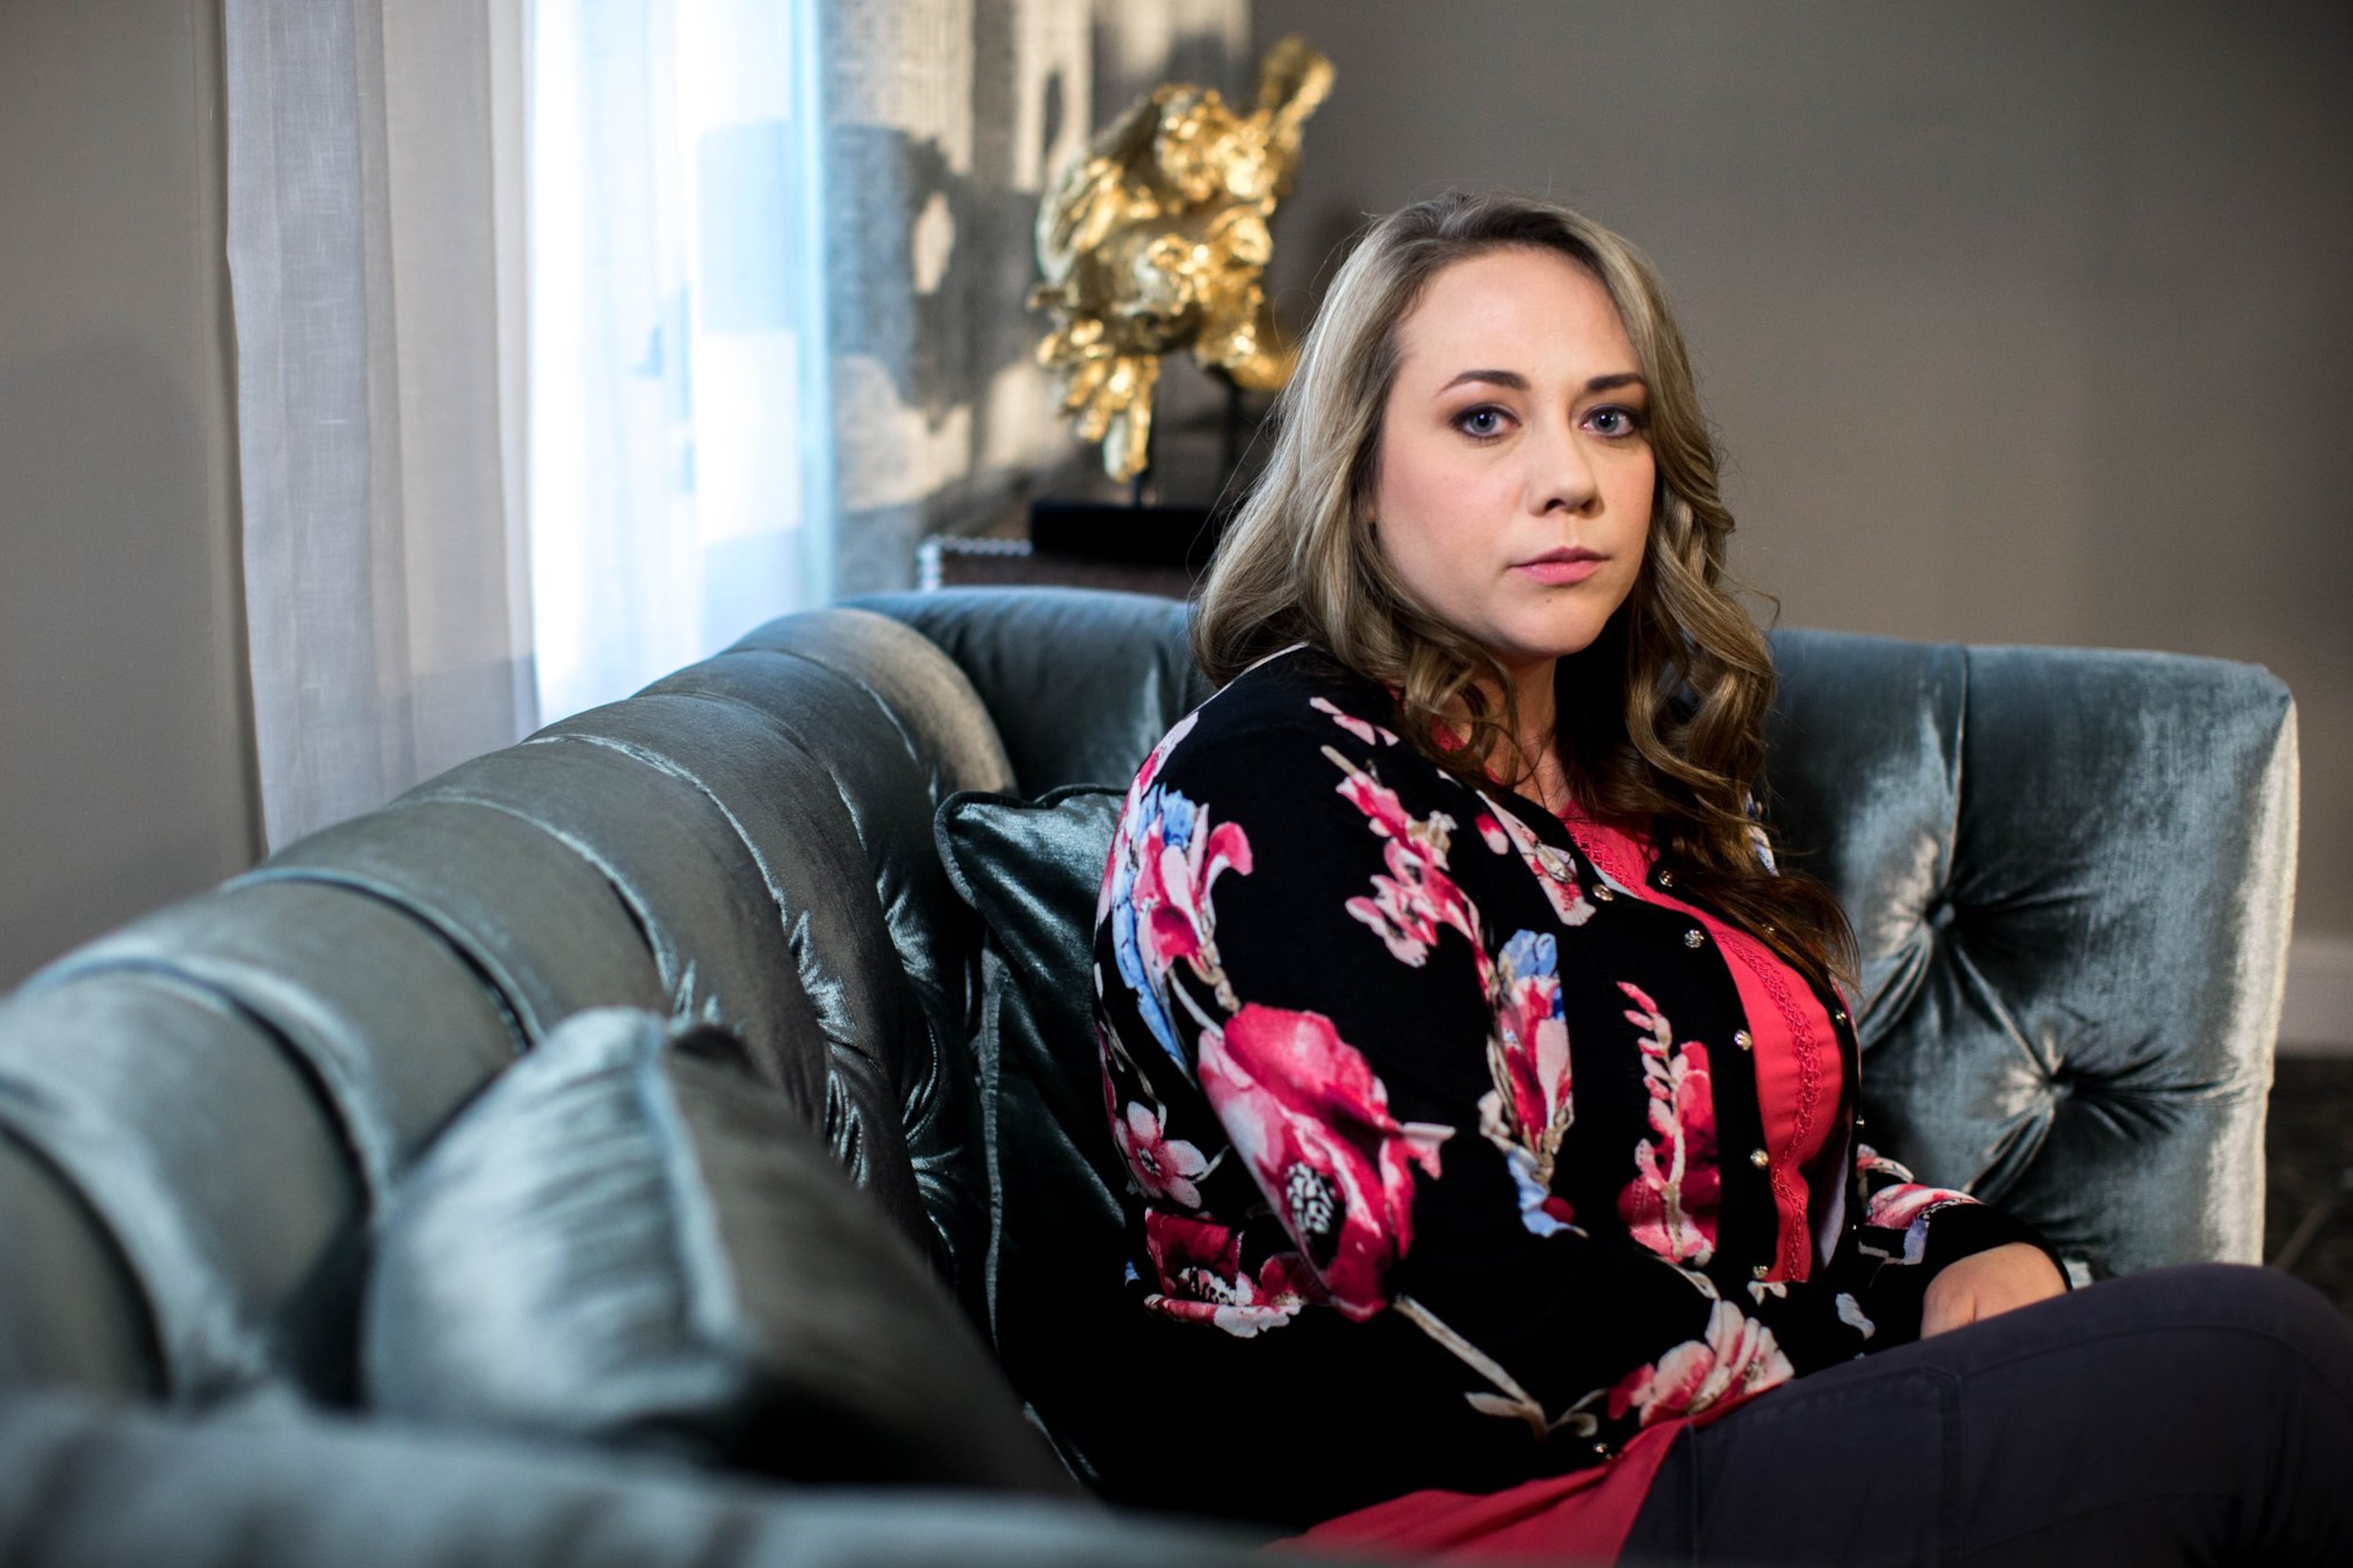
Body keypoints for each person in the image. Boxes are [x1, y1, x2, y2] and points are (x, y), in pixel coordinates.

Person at [1088, 191, 2352, 1564]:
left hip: (1716, 1448)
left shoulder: (1639, 781)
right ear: (1357, 464)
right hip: (1454, 1511)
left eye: (1610, 417)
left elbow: (1762, 1176)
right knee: (2258, 1361)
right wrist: (1880, 1358)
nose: (1567, 477)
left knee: (2237, 1373)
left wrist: (1958, 1248)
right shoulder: (1274, 784)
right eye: (1484, 418)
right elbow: (1459, 1291)